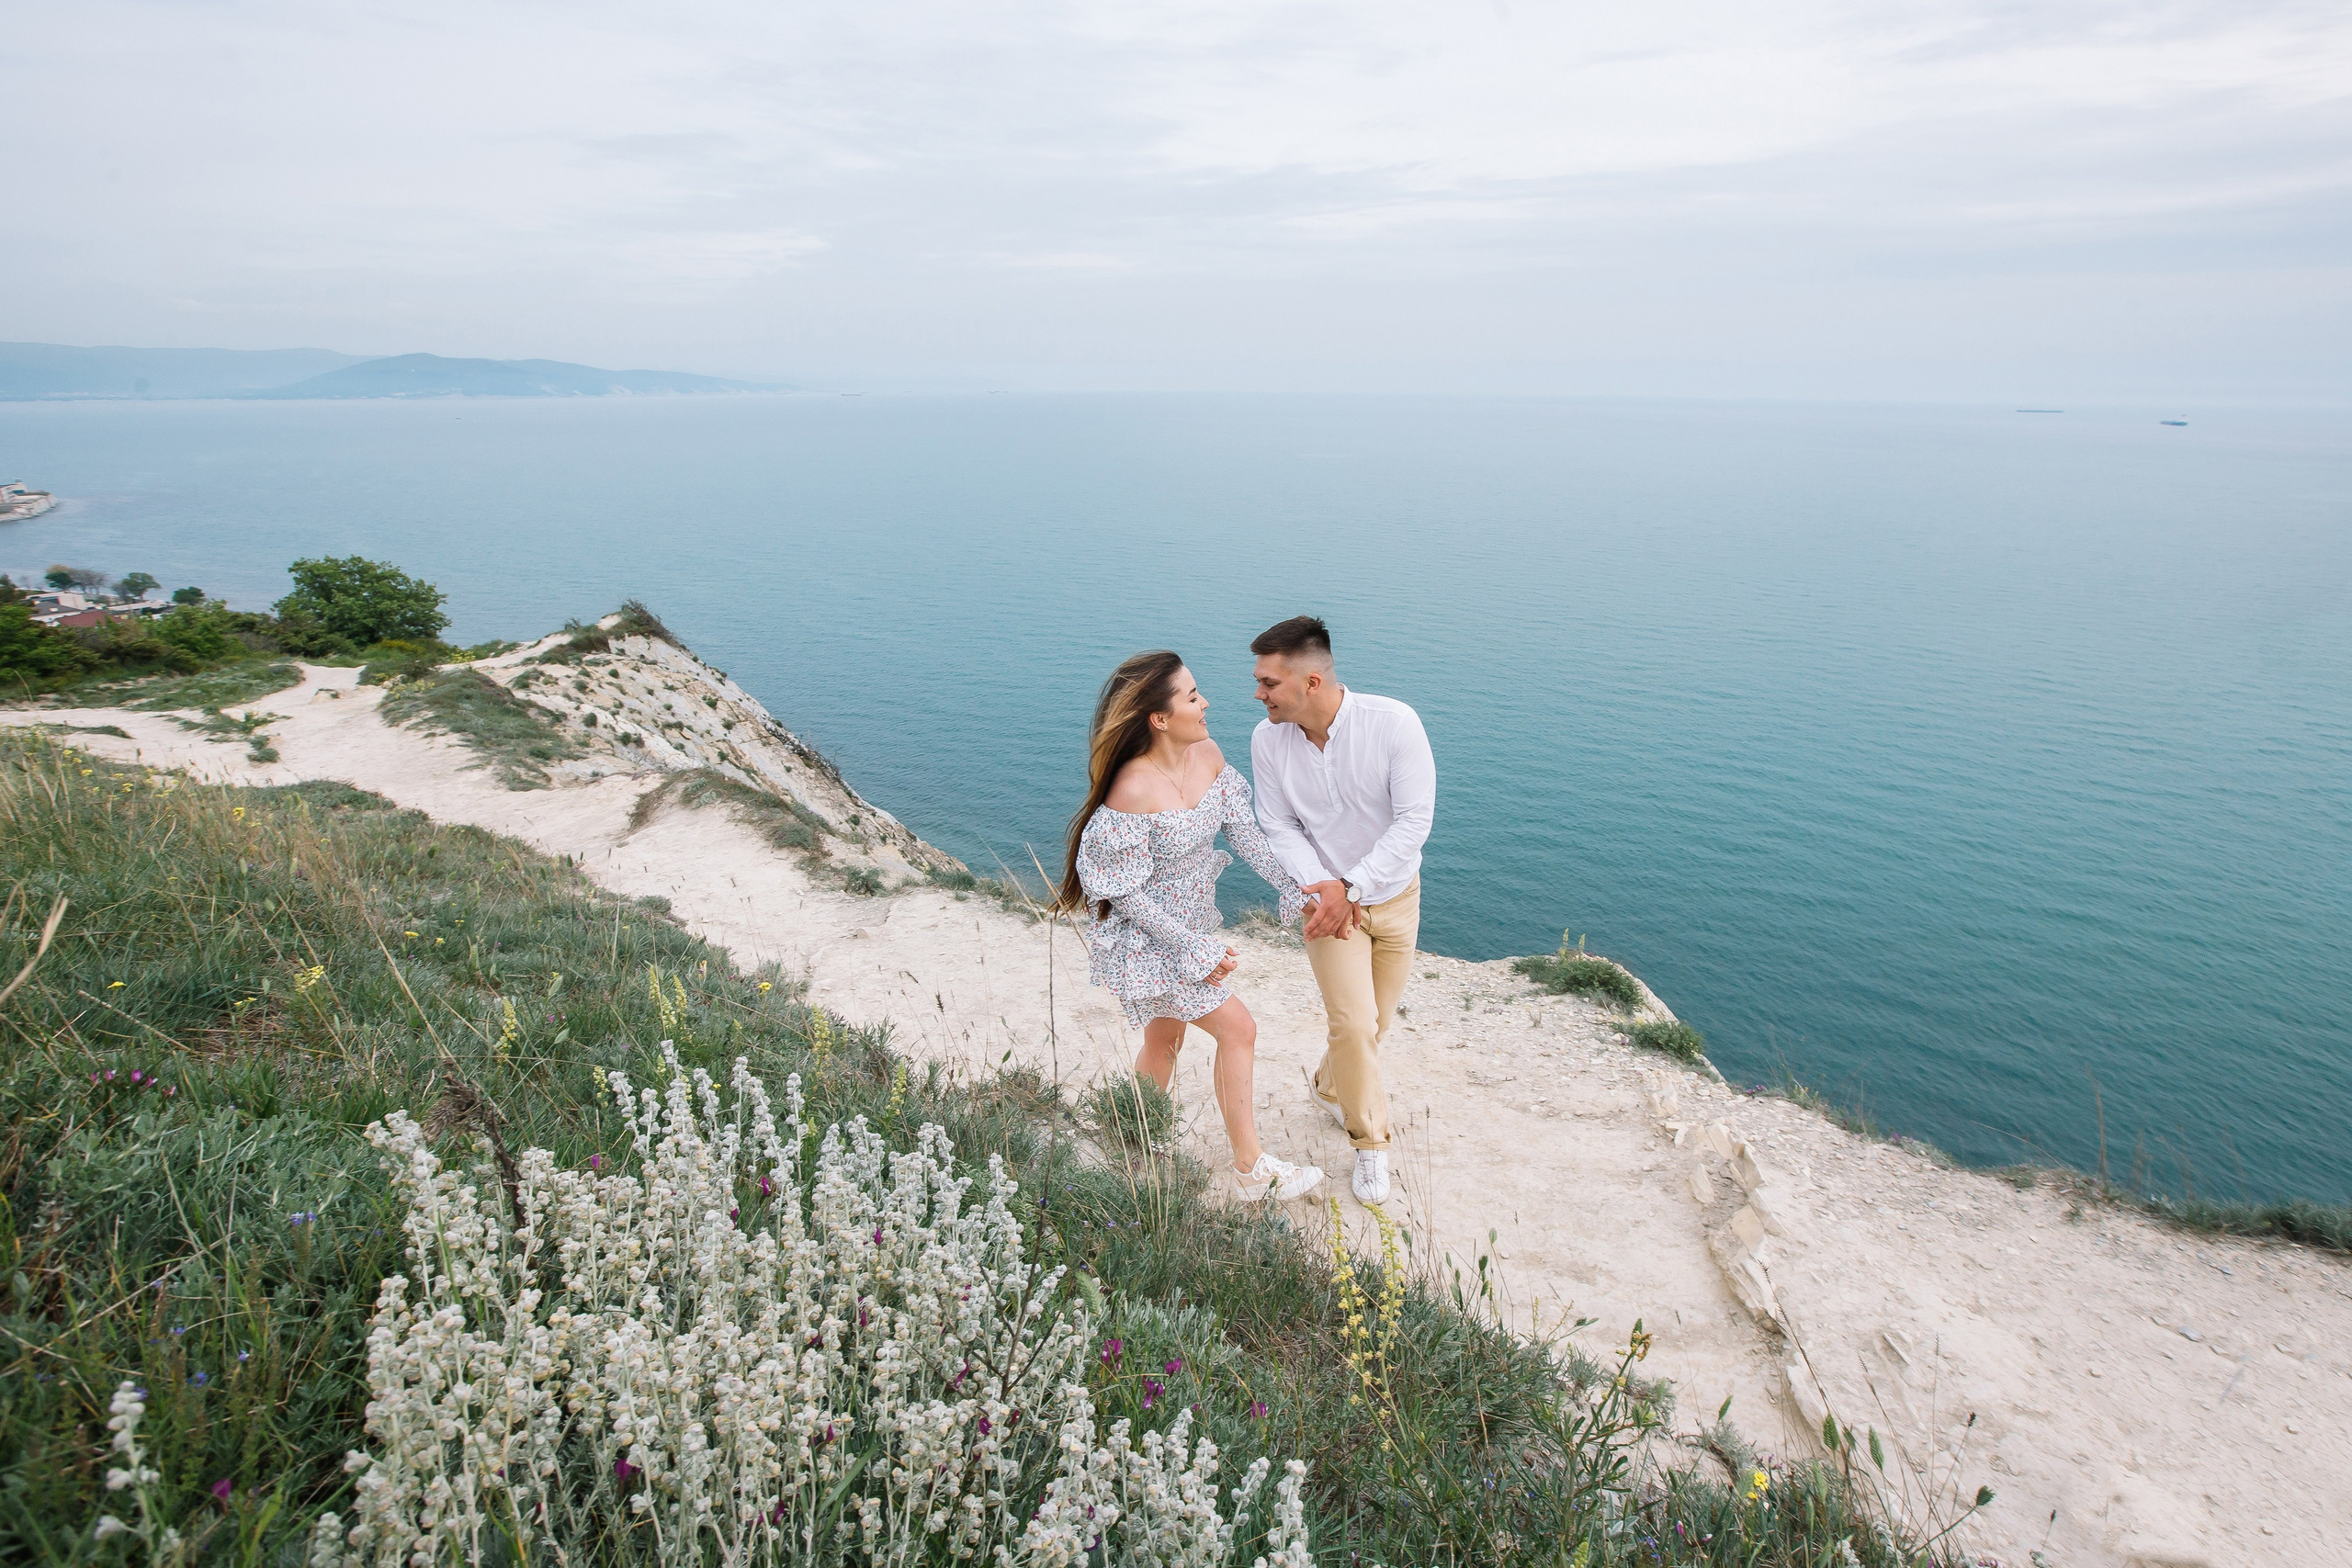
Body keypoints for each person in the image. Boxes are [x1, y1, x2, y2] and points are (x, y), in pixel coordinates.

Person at [1058, 650, 1327, 1201]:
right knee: (1239, 1029)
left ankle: (1133, 1133)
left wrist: (1289, 885)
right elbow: (1124, 893)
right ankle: (1251, 1168)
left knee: (1164, 1037)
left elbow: (1245, 833)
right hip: (1151, 938)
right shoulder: (1130, 789)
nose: (1205, 703)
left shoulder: (1207, 756)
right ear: (1159, 718)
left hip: (1190, 926)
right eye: (1191, 696)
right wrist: (1192, 948)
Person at [1249, 615, 1434, 1204]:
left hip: (1394, 898)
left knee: (1373, 1025)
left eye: (1268, 683)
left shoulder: (1394, 724)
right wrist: (1326, 888)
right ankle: (1370, 1145)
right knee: (1353, 1025)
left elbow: (1414, 823)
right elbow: (1277, 825)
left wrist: (1352, 886)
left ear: (1310, 682)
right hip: (1326, 909)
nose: (1259, 694)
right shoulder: (1266, 741)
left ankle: (1330, 1086)